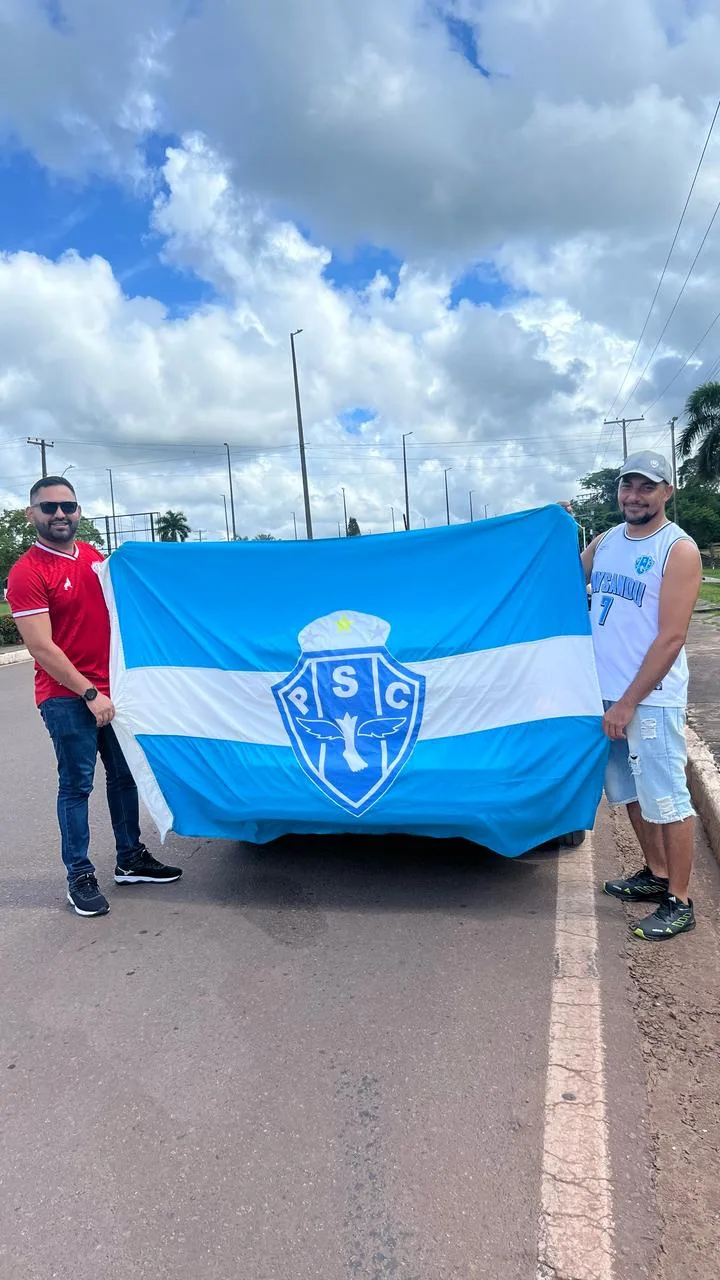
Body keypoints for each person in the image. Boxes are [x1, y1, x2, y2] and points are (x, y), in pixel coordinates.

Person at [6, 476, 182, 918]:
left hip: (110, 691)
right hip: (67, 697)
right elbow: (41, 647)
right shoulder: (27, 572)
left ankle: (130, 858)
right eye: (49, 508)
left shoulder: (92, 557)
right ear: (32, 515)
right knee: (76, 785)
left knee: (124, 778)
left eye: (69, 506)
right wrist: (88, 692)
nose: (61, 514)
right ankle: (79, 876)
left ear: (79, 511)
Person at [573, 451, 702, 940]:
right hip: (606, 695)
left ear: (667, 491)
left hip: (649, 697)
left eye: (647, 487)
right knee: (628, 792)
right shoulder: (606, 542)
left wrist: (628, 702)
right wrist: (557, 530)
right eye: (628, 486)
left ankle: (681, 900)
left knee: (667, 797)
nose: (634, 496)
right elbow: (564, 577)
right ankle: (656, 873)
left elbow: (671, 637)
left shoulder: (678, 549)